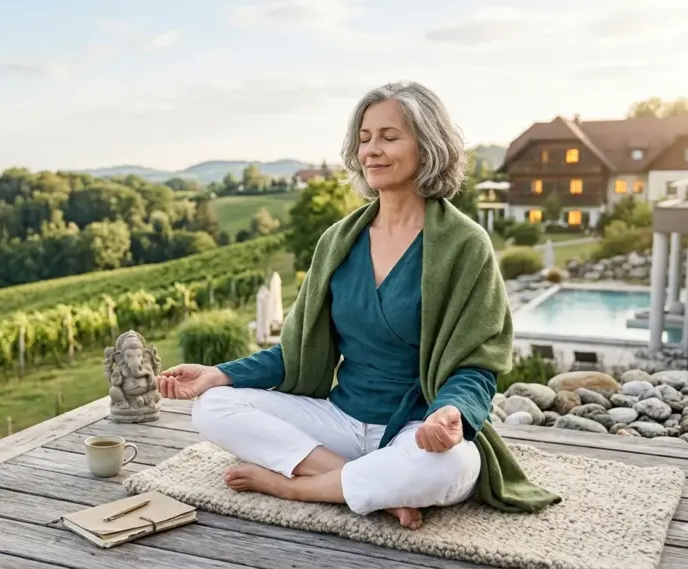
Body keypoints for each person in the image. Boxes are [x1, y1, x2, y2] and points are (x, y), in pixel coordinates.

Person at [157, 81, 560, 530]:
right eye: (364, 138)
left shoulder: (466, 245)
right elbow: (296, 353)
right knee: (212, 406)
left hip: (416, 426)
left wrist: (451, 414)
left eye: (389, 137)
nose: (372, 150)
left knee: (454, 467)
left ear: (428, 147)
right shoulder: (338, 242)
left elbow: (477, 365)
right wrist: (219, 374)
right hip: (340, 421)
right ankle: (365, 485)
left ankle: (298, 485)